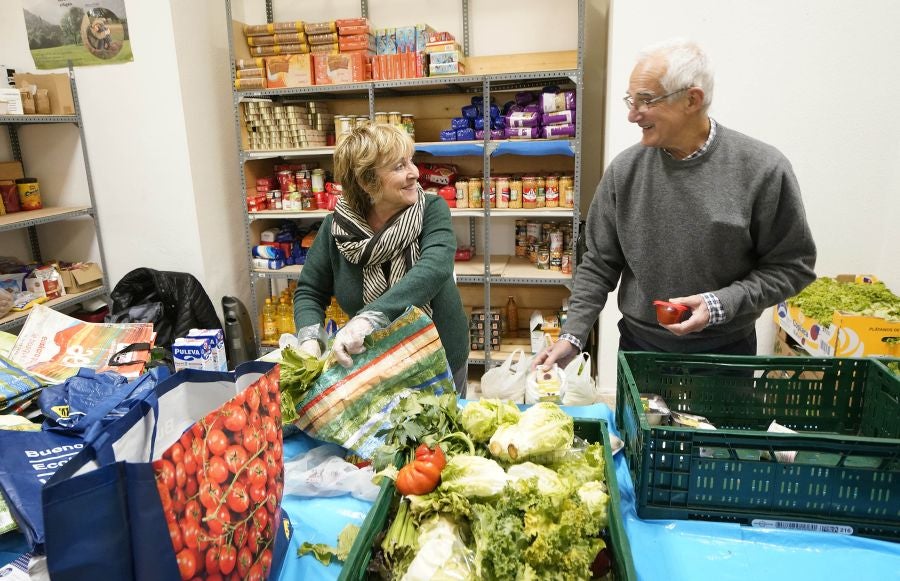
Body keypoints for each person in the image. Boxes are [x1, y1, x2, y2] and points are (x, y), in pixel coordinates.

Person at [534, 38, 816, 371]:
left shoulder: (762, 169)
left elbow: (793, 266)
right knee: (635, 425)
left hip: (725, 353)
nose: (631, 114)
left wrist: (718, 304)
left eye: (645, 100)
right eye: (631, 99)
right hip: (640, 349)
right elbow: (599, 263)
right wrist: (574, 335)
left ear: (692, 99)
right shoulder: (624, 172)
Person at [293, 124, 470, 393]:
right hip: (373, 364)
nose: (414, 173)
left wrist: (369, 319)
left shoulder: (431, 210)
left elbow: (434, 268)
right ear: (367, 182)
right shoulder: (336, 228)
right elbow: (309, 291)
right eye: (399, 167)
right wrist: (309, 341)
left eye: (411, 161)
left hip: (440, 358)